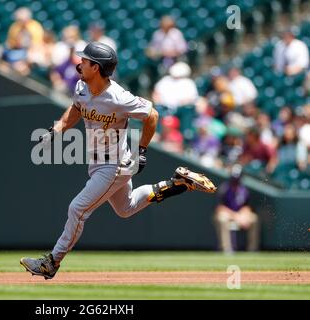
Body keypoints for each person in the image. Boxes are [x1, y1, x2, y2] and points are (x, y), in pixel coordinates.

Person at [20, 42, 217, 279]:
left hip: (114, 165)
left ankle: (51, 262)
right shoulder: (82, 86)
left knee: (77, 209)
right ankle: (178, 183)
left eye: (85, 60)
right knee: (126, 208)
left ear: (96, 67)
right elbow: (76, 109)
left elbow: (152, 115)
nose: (79, 62)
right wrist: (58, 128)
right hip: (99, 163)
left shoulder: (118, 96)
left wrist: (142, 150)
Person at [213, 164, 260, 253]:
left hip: (240, 214)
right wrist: (236, 216)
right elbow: (220, 208)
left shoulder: (244, 190)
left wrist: (243, 215)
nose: (235, 182)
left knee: (254, 219)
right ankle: (226, 249)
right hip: (228, 214)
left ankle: (252, 249)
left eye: (237, 179)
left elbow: (247, 206)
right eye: (234, 179)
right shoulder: (224, 188)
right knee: (222, 218)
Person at [145, 16, 187, 81]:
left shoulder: (176, 33)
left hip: (176, 59)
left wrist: (166, 53)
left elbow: (182, 49)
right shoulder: (157, 34)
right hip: (161, 60)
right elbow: (153, 48)